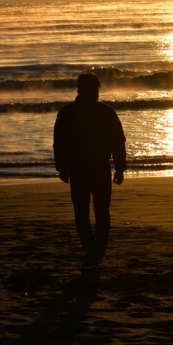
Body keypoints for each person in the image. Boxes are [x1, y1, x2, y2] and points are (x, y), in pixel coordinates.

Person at [53, 72, 127, 268]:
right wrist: (119, 168)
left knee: (89, 212)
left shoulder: (69, 113)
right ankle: (95, 251)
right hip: (90, 168)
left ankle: (94, 251)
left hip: (86, 168)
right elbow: (118, 142)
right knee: (94, 212)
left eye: (96, 90)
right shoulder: (104, 112)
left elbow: (59, 143)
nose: (96, 93)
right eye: (94, 90)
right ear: (83, 90)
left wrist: (61, 166)